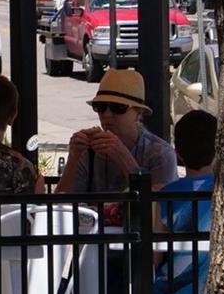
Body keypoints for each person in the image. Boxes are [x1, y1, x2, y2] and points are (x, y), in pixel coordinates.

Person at [57, 69, 178, 198]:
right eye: (101, 107)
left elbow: (158, 209)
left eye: (117, 107)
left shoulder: (160, 154)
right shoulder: (87, 151)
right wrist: (73, 158)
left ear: (138, 113)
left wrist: (122, 156)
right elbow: (61, 204)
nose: (107, 115)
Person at [153, 111, 217, 294]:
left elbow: (156, 255)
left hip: (168, 290)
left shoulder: (167, 195)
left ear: (178, 153)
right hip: (208, 288)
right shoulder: (223, 192)